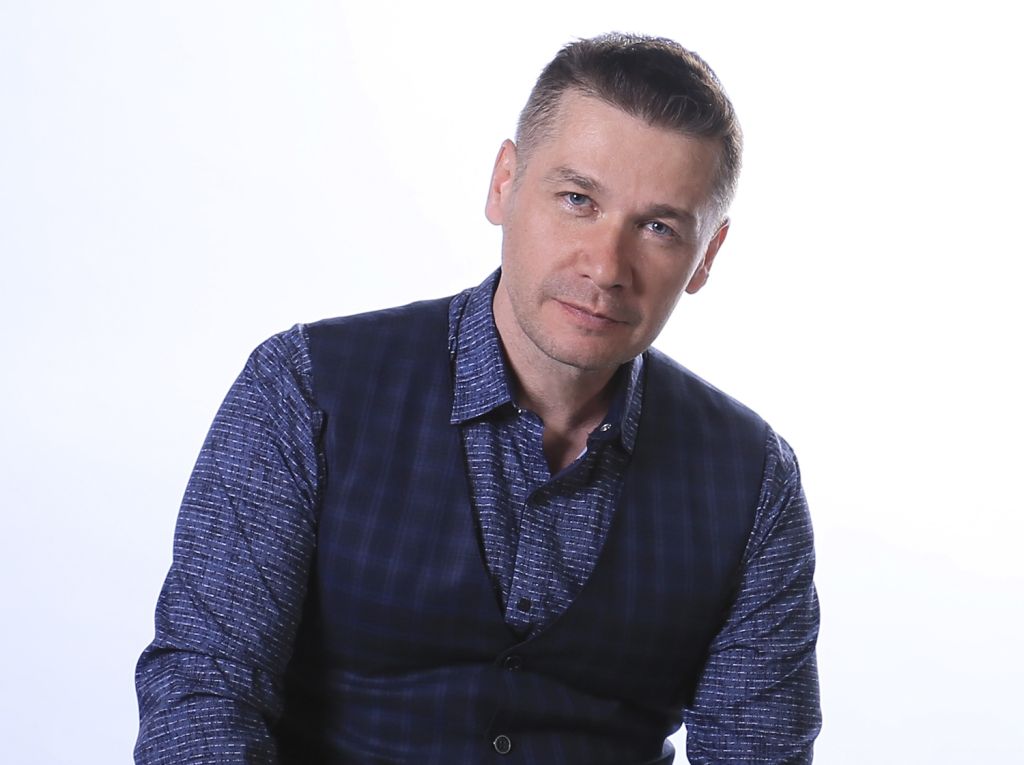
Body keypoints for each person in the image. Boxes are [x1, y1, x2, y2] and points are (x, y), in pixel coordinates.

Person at [135, 32, 821, 765]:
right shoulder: (306, 389)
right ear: (504, 184)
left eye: (657, 227)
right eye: (577, 199)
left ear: (706, 255)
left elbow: (758, 753)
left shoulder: (752, 481)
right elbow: (204, 691)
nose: (606, 266)